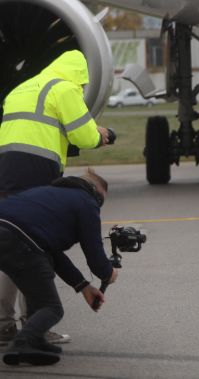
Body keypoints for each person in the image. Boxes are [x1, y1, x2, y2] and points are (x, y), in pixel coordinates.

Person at [0, 49, 111, 348]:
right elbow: (84, 137)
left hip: (6, 169)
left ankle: (3, 325)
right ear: (79, 78)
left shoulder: (22, 88)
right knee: (35, 246)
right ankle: (35, 326)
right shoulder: (64, 88)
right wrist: (101, 134)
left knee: (9, 240)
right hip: (36, 170)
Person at [0, 168, 117, 366]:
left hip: (12, 236)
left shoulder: (48, 194)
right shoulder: (86, 201)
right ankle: (22, 343)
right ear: (94, 191)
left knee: (38, 295)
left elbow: (53, 253)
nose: (99, 205)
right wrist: (108, 273)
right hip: (21, 242)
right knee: (52, 308)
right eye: (101, 200)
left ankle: (35, 341)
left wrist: (84, 287)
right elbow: (94, 253)